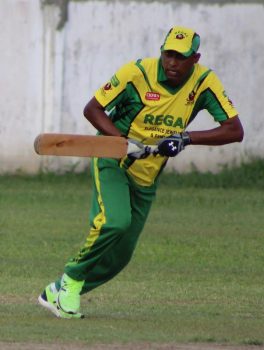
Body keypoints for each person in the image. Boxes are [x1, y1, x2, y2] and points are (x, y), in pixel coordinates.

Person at [38, 26, 244, 318]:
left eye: (180, 57)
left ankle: (57, 290)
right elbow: (93, 109)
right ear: (161, 52)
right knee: (115, 222)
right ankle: (71, 278)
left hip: (147, 175)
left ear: (195, 58)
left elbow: (234, 130)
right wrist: (124, 143)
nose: (172, 62)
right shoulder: (136, 73)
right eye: (168, 54)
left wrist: (186, 138)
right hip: (112, 159)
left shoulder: (204, 83)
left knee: (120, 258)